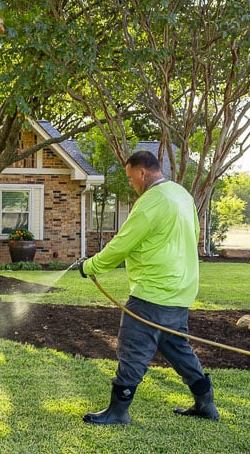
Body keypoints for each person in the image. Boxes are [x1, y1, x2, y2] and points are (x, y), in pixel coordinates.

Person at [74, 149, 219, 424]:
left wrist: (89, 266)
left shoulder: (152, 201)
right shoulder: (181, 194)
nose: (131, 184)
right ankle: (205, 403)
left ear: (142, 173)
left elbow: (122, 243)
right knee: (177, 347)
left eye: (131, 178)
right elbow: (194, 236)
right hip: (181, 290)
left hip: (153, 291)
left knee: (133, 348)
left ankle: (118, 411)